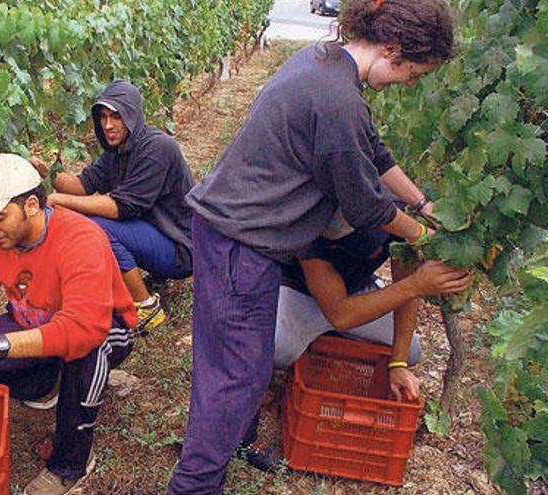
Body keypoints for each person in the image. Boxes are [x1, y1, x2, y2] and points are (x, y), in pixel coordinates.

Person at [167, 1, 461, 492]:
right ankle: (194, 484)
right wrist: (427, 240)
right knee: (232, 378)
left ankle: (235, 440)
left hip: (246, 238)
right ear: (392, 49)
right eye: (414, 72)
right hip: (240, 244)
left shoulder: (327, 63)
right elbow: (368, 206)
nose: (410, 84)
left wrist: (425, 204)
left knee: (249, 364)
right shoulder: (336, 99)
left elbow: (374, 154)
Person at [0, 154, 137, 495]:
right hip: (34, 323)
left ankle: (70, 465)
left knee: (86, 354)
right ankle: (47, 382)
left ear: (32, 205)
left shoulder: (81, 239)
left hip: (104, 326)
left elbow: (83, 328)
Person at [45, 80, 195, 334]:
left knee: (98, 226)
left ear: (133, 115)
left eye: (116, 116)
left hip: (181, 249)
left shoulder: (158, 148)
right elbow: (82, 185)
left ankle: (147, 307)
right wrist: (46, 174)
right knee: (90, 217)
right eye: (102, 117)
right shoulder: (117, 150)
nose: (108, 125)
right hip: (155, 236)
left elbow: (121, 207)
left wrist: (58, 201)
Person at [274, 228, 471, 400]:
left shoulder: (398, 218)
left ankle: (328, 333)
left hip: (356, 288)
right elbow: (340, 316)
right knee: (277, 351)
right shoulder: (313, 222)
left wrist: (398, 364)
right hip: (298, 291)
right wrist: (416, 285)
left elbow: (407, 287)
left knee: (410, 352)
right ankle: (317, 335)